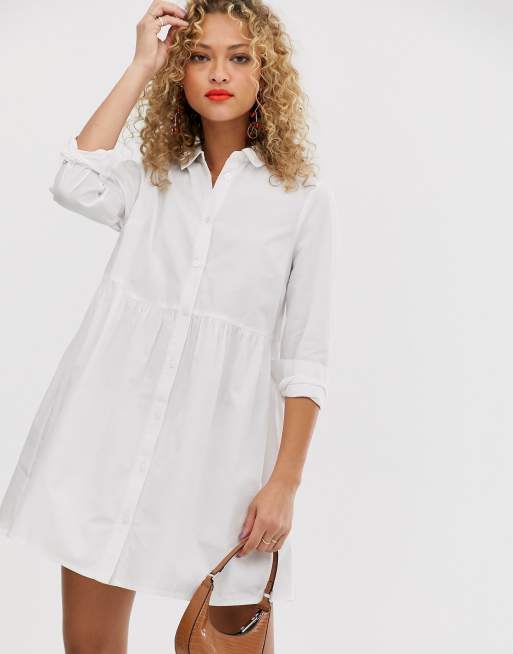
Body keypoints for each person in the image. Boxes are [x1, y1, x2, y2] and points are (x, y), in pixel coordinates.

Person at [0, 0, 337, 651]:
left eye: (239, 57)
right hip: (110, 441)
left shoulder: (300, 203)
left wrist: (284, 484)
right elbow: (73, 181)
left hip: (226, 460)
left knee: (232, 638)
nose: (219, 72)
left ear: (265, 72)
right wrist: (141, 64)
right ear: (179, 74)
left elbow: (305, 359)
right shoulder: (150, 182)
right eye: (199, 56)